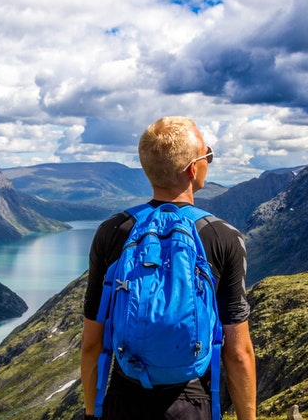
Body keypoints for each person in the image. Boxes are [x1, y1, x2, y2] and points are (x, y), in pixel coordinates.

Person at [81, 116, 257, 420]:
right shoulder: (223, 236)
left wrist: (92, 413)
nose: (208, 163)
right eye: (207, 156)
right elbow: (238, 352)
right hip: (190, 401)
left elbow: (92, 344)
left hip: (124, 397)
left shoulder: (113, 231)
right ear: (192, 169)